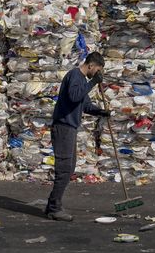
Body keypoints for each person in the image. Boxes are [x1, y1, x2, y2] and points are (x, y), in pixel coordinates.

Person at [45, 52, 110, 221]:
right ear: (91, 65)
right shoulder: (75, 75)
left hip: (70, 128)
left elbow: (85, 104)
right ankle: (54, 209)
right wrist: (93, 82)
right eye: (97, 70)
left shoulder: (81, 80)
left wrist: (101, 112)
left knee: (70, 168)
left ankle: (53, 204)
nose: (97, 73)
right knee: (64, 169)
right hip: (63, 127)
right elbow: (74, 96)